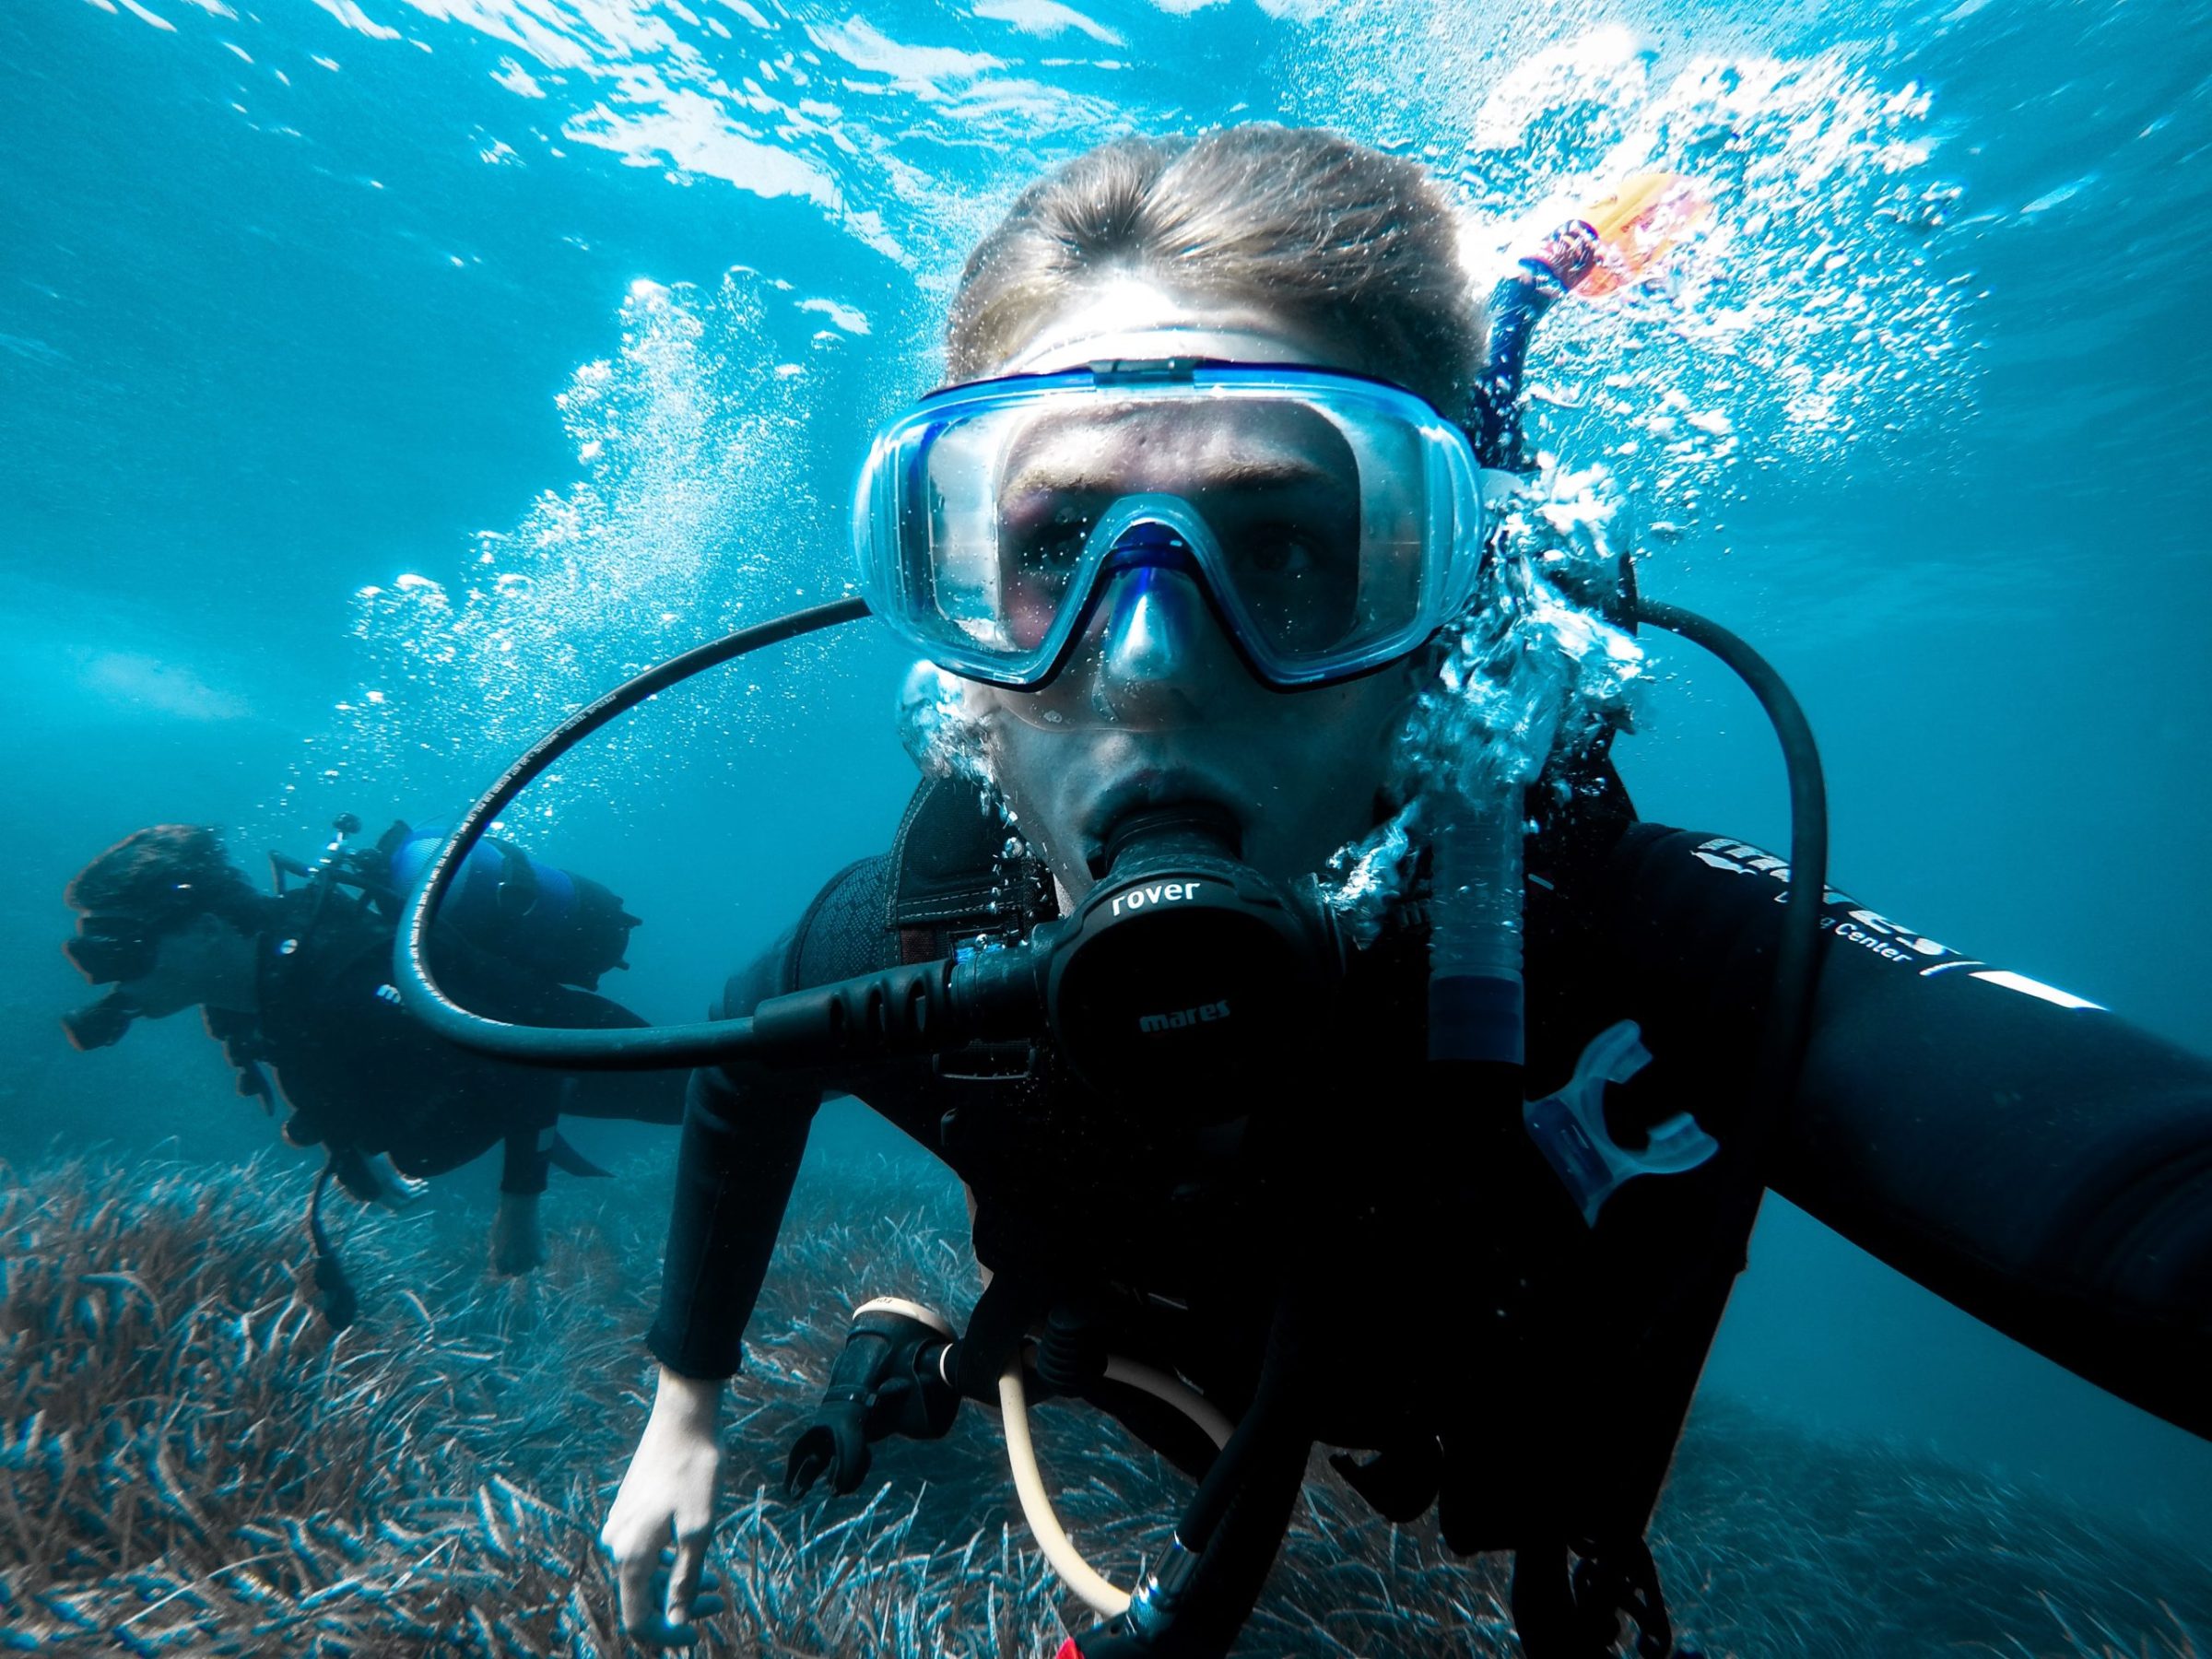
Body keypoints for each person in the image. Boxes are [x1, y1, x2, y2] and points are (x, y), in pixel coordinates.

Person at [595, 127, 2212, 1656]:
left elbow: (2119, 1179)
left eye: (1287, 546)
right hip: (1137, 1338)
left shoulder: (1622, 938)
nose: (1150, 662)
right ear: (954, 605)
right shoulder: (918, 938)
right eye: (1059, 542)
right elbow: (750, 1060)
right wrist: (686, 1401)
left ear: (1449, 602)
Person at [62, 822, 687, 1277]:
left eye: (129, 953)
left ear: (204, 930)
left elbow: (523, 1059)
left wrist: (517, 1210)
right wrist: (351, 1149)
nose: (119, 981)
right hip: (511, 1077)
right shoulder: (244, 992)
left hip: (577, 1046)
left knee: (728, 1086)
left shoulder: (344, 973)